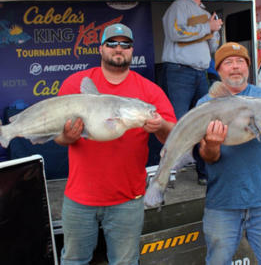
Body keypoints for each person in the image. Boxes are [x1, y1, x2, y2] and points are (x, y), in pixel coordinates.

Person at [54, 23, 177, 265]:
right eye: (112, 43)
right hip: (80, 198)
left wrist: (160, 125)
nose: (118, 48)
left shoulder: (149, 91)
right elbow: (58, 136)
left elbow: (173, 135)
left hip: (127, 200)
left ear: (132, 50)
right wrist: (67, 137)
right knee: (73, 261)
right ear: (101, 49)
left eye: (125, 44)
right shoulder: (77, 83)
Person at [194, 42, 261, 265]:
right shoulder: (205, 104)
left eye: (240, 61)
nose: (235, 67)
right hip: (222, 203)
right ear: (219, 70)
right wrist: (212, 145)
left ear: (248, 68)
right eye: (228, 62)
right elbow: (208, 157)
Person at [161, 0, 223, 185]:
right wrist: (208, 27)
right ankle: (167, 172)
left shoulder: (205, 11)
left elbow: (212, 46)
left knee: (206, 122)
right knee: (177, 123)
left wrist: (214, 31)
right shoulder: (180, 6)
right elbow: (176, 32)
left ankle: (205, 172)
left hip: (201, 72)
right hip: (180, 72)